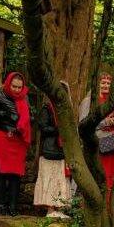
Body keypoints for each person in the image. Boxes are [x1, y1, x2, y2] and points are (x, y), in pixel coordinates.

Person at [0, 72, 32, 215]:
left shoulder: (25, 96)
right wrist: (5, 114)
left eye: (19, 87)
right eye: (14, 86)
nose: (17, 90)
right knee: (1, 172)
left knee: (16, 174)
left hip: (18, 138)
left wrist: (26, 120)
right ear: (8, 83)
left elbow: (29, 113)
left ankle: (13, 206)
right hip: (2, 135)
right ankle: (1, 206)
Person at [80, 73, 114, 196]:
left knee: (113, 175)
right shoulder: (89, 102)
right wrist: (106, 122)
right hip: (97, 145)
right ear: (97, 85)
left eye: (108, 83)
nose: (106, 85)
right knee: (99, 174)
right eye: (103, 83)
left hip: (113, 145)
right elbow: (82, 125)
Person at [34, 86, 73, 218]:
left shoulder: (68, 110)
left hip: (63, 151)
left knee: (60, 179)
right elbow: (43, 127)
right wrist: (59, 130)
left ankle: (59, 207)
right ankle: (50, 208)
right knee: (49, 178)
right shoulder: (47, 108)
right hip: (50, 150)